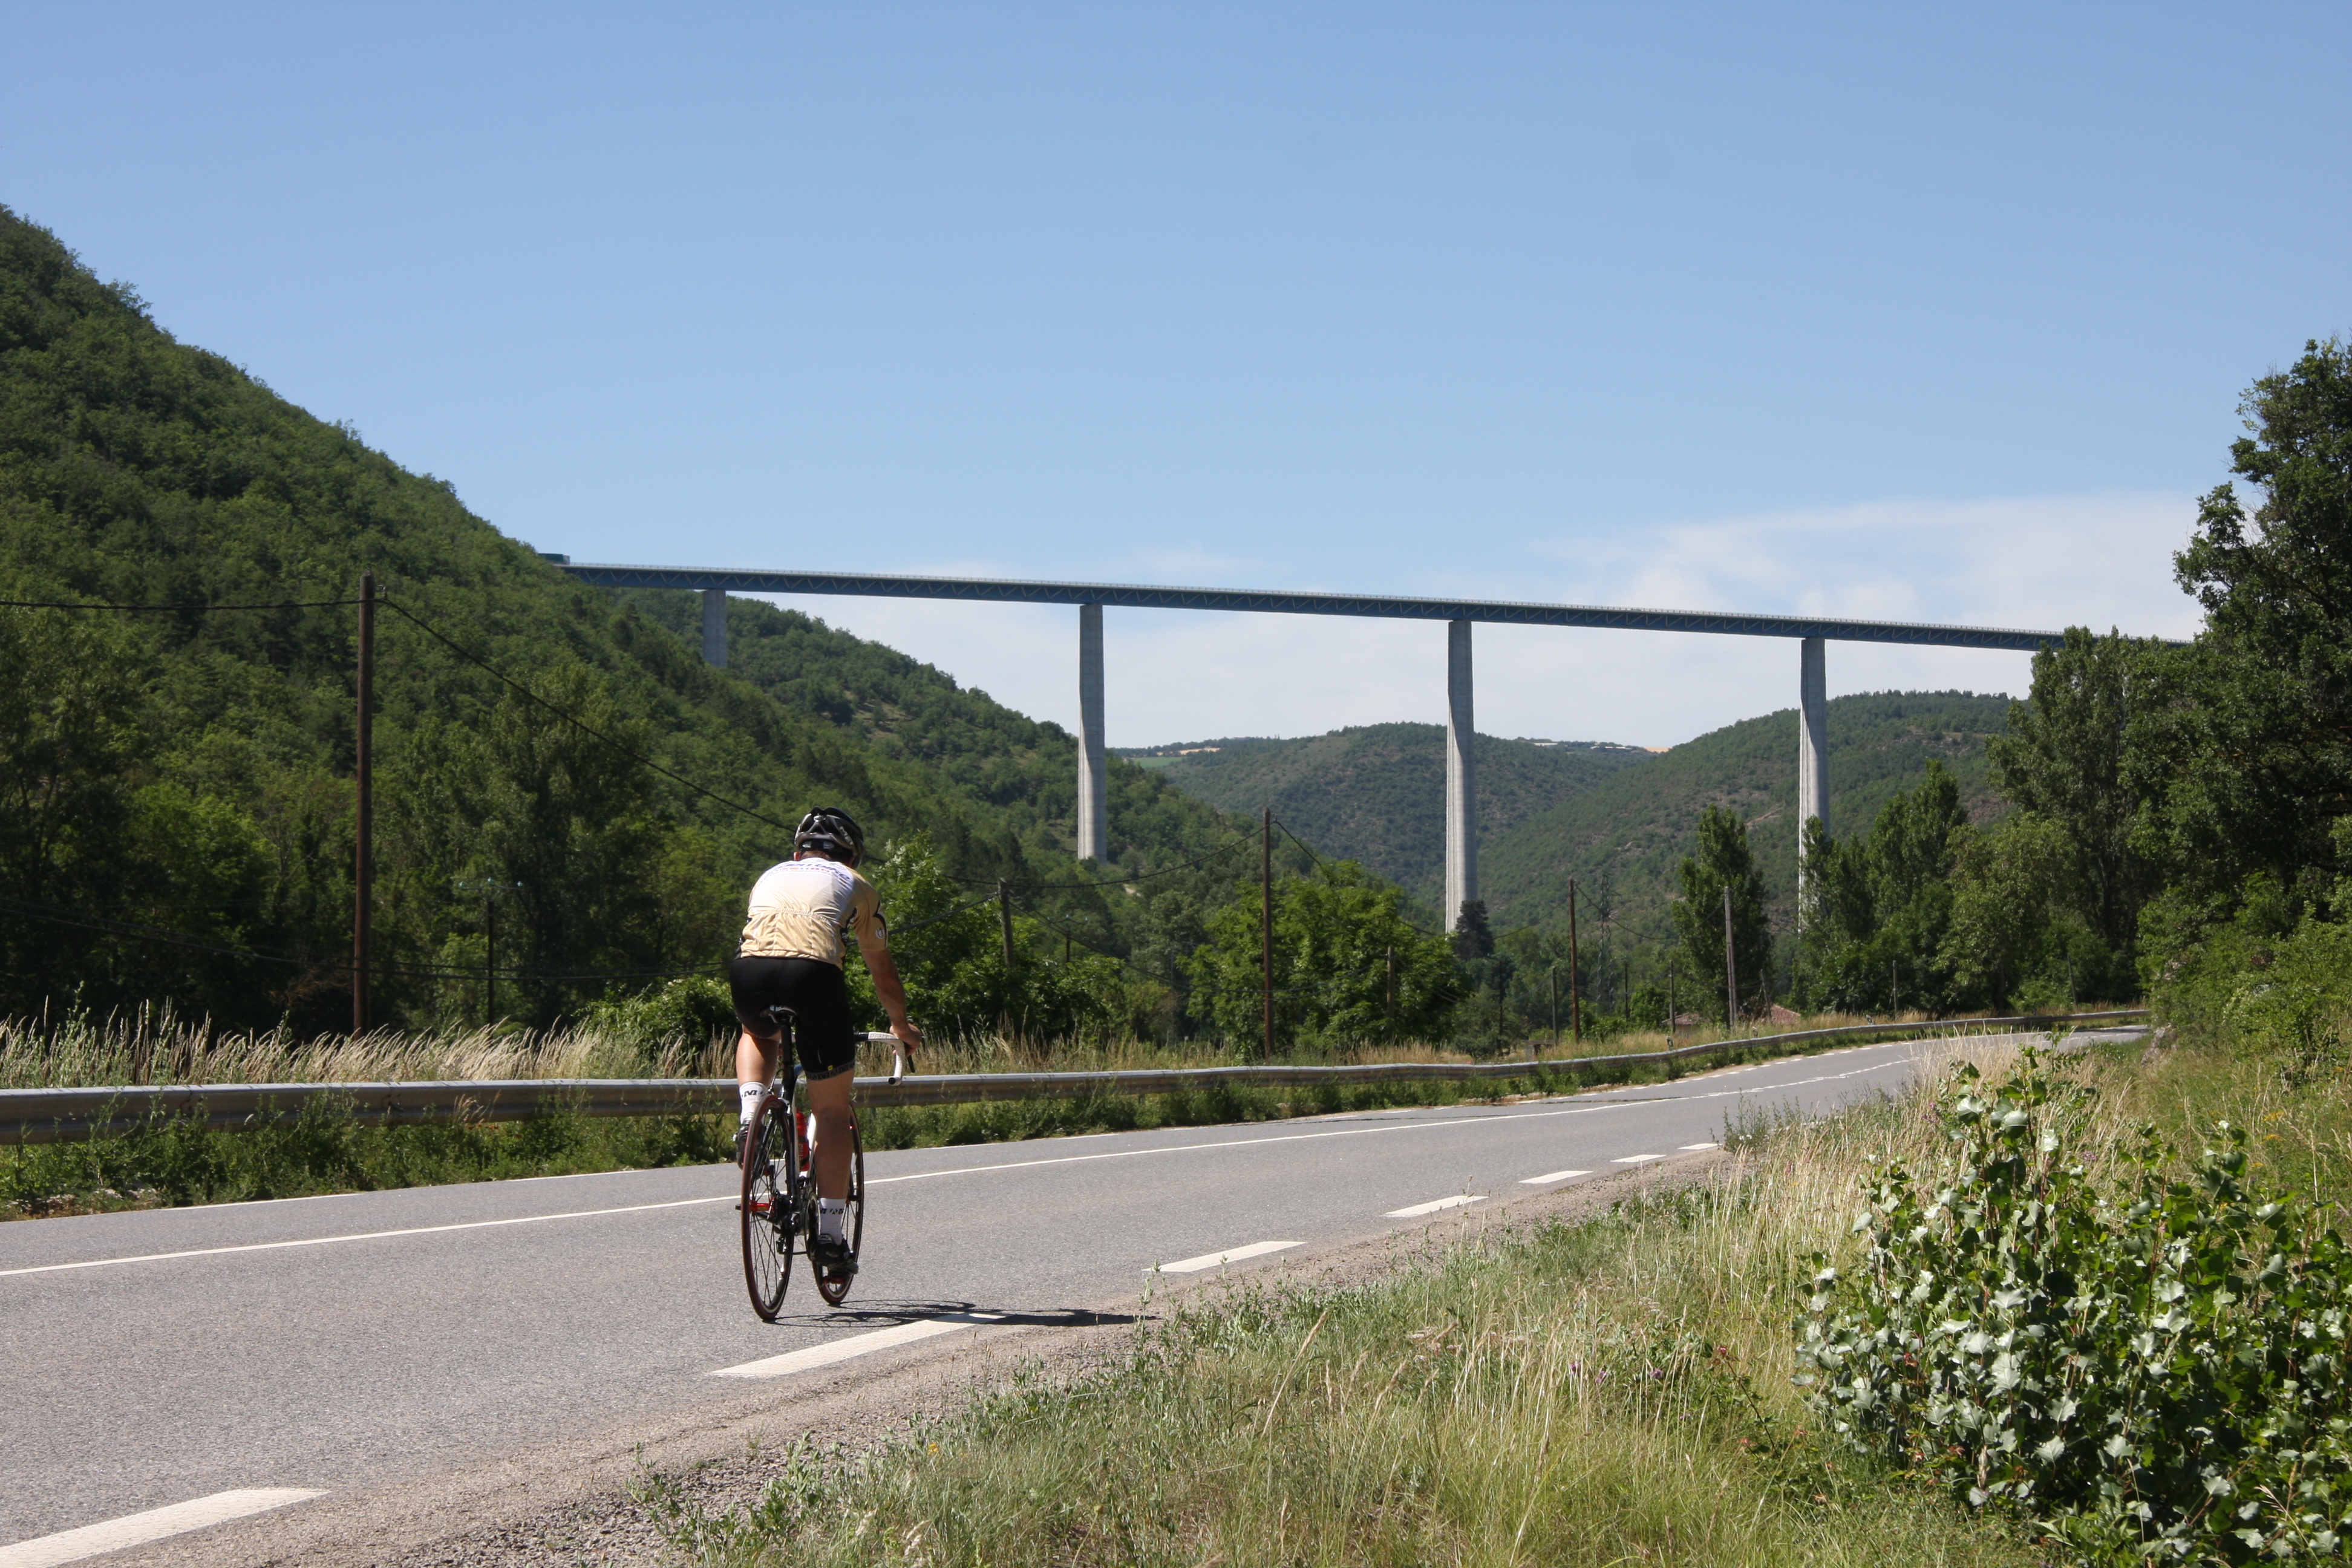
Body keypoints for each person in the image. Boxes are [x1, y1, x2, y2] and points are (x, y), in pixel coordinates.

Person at [728, 806, 921, 1275]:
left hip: (748, 974)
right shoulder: (858, 885)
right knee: (833, 1114)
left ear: (798, 852)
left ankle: (751, 1113)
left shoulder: (770, 874)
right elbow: (882, 970)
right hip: (813, 978)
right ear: (851, 858)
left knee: (758, 1030)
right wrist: (901, 1025)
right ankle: (831, 1239)